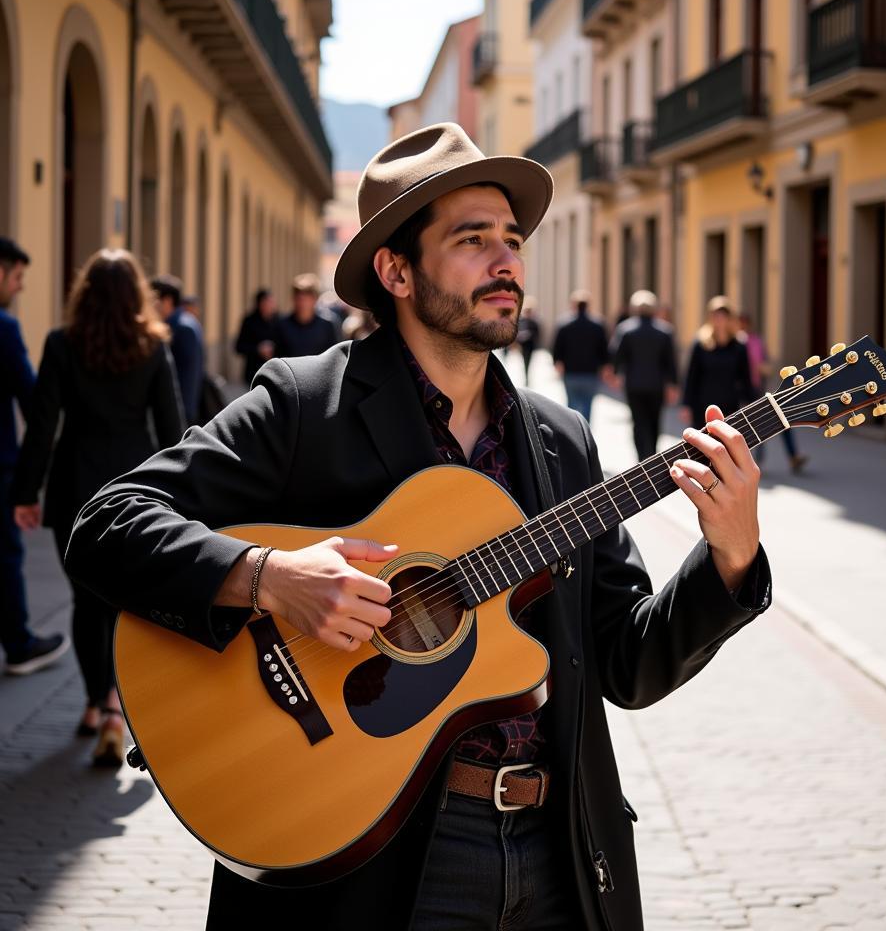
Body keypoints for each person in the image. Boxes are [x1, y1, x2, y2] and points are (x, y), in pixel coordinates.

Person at [65, 123, 771, 929]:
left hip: (556, 854)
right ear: (396, 270)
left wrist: (730, 557)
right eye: (472, 240)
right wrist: (270, 577)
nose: (507, 259)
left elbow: (627, 663)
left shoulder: (560, 443)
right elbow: (107, 522)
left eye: (511, 238)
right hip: (371, 857)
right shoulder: (304, 406)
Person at [12, 249, 185, 765]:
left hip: (74, 489)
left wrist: (25, 492)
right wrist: (187, 500)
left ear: (84, 294)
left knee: (85, 603)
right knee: (125, 605)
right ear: (137, 295)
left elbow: (44, 425)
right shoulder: (153, 347)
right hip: (136, 491)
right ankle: (115, 708)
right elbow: (174, 430)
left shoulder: (62, 345)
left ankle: (93, 704)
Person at [0, 238, 68, 676]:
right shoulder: (4, 328)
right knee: (6, 557)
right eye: (17, 277)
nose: (20, 287)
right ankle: (21, 645)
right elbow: (33, 398)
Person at [610, 290, 679, 461]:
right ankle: (652, 454)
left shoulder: (625, 329)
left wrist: (616, 374)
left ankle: (642, 456)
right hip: (656, 385)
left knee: (638, 421)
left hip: (634, 384)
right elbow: (671, 362)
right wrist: (673, 385)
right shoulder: (665, 331)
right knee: (655, 420)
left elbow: (616, 355)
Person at [739, 312, 808, 474]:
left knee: (782, 420)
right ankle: (755, 463)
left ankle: (793, 456)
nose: (743, 326)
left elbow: (766, 364)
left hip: (760, 389)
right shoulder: (735, 343)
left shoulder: (757, 341)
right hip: (744, 392)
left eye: (745, 323)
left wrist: (764, 369)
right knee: (755, 427)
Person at [683, 296, 755, 438]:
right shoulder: (701, 344)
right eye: (716, 316)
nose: (719, 320)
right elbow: (691, 376)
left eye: (723, 316)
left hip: (729, 405)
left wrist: (750, 403)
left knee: (726, 445)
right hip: (703, 405)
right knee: (703, 446)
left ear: (730, 319)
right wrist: (686, 405)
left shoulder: (739, 345)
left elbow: (745, 377)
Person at [152, 275, 205, 425]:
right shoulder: (184, 322)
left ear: (167, 301)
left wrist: (183, 412)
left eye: (154, 299)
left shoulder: (181, 327)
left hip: (180, 410)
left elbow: (187, 376)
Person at [552, 289, 609, 421]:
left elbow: (557, 348)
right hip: (590, 372)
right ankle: (585, 433)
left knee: (571, 405)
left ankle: (573, 433)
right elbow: (604, 350)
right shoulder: (598, 325)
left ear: (573, 305)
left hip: (571, 372)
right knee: (588, 405)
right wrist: (606, 367)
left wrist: (557, 364)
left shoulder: (564, 324)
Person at [273, 273, 340, 358]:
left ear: (315, 299)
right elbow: (277, 358)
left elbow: (335, 357)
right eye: (299, 299)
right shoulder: (282, 325)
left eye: (306, 299)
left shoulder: (327, 325)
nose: (302, 304)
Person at [234, 288, 278, 385]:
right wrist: (258, 349)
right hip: (253, 372)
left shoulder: (280, 321)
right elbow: (239, 347)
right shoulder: (249, 321)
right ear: (259, 304)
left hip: (276, 372)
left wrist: (274, 349)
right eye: (266, 302)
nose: (269, 305)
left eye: (271, 302)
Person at [514, 295, 542, 385]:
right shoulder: (520, 321)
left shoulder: (535, 322)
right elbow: (516, 332)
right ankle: (526, 376)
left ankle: (527, 376)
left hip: (530, 345)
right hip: (522, 345)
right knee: (524, 361)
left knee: (528, 362)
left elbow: (537, 334)